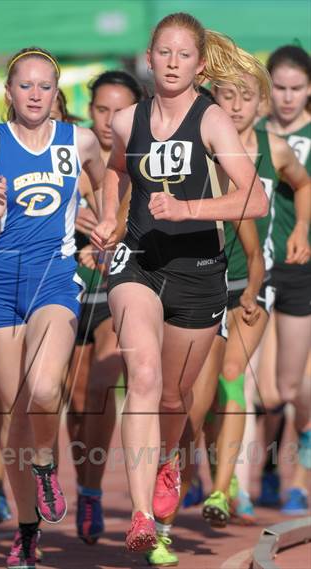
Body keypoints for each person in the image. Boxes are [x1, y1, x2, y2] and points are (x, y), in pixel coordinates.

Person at [91, 11, 268, 555]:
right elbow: (119, 171)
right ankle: (142, 514)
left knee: (173, 398)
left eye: (183, 55)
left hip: (198, 271)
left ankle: (169, 463)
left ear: (199, 64)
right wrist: (107, 218)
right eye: (163, 52)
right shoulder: (127, 120)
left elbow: (255, 198)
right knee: (141, 372)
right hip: (138, 261)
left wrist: (188, 206)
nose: (171, 62)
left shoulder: (212, 120)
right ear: (149, 57)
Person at [0, 47, 104, 569]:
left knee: (41, 389)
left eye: (44, 86)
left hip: (56, 279)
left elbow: (114, 183)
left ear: (56, 93)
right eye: (24, 86)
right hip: (1, 282)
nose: (34, 95)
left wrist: (106, 227)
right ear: (9, 93)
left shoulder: (77, 140)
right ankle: (27, 529)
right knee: (12, 415)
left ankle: (44, 466)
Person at [201, 63, 309, 527]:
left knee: (242, 378)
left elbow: (303, 184)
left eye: (248, 97)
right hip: (200, 281)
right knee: (203, 390)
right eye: (229, 96)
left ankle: (231, 489)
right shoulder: (199, 150)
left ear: (259, 102)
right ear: (214, 101)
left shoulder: (275, 149)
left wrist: (302, 225)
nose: (239, 105)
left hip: (253, 283)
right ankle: (217, 479)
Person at [64, 70, 143, 545]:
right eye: (101, 110)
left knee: (99, 384)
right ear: (88, 111)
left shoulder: (145, 159)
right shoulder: (70, 154)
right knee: (75, 399)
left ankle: (144, 489)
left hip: (125, 283)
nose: (110, 120)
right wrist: (73, 225)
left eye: (121, 111)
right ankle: (88, 489)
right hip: (71, 284)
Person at [250, 45, 311, 513]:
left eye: (297, 88)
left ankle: (299, 477)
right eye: (281, 88)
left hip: (304, 269)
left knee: (295, 389)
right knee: (269, 392)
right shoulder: (251, 134)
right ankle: (269, 469)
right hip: (261, 268)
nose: (287, 98)